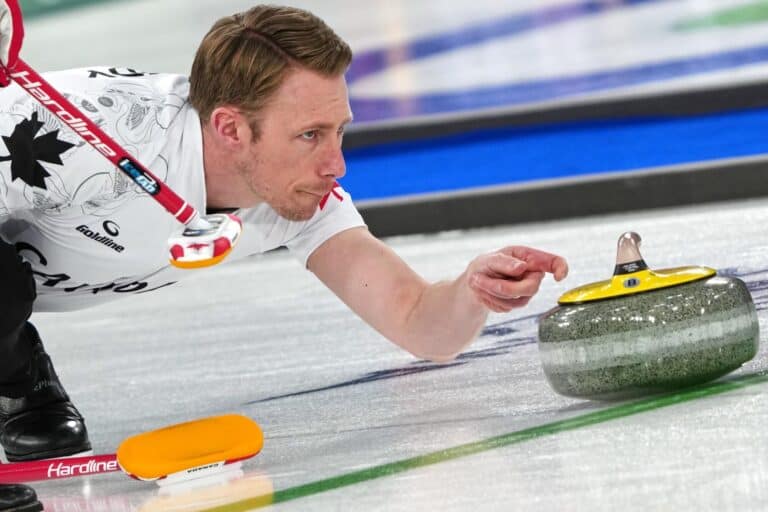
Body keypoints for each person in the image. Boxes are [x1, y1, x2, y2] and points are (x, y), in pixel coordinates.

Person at [0, 2, 568, 468]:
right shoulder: (67, 136)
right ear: (231, 128)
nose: (336, 165)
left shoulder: (295, 196)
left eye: (339, 131)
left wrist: (471, 290)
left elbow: (421, 323)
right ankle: (18, 380)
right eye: (310, 135)